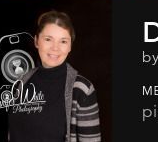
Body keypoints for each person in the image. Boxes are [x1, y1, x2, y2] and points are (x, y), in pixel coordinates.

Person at [8, 11, 101, 142]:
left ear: (70, 46)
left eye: (63, 41)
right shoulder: (23, 81)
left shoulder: (82, 89)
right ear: (36, 41)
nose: (55, 48)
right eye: (48, 39)